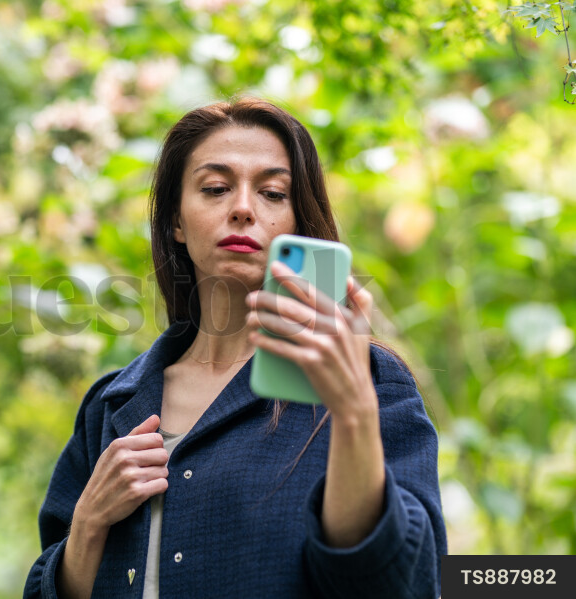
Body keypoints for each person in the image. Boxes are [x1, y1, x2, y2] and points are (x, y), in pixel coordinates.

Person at [23, 96, 446, 599]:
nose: (243, 209)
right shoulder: (111, 404)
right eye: (216, 188)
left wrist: (353, 413)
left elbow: (408, 581)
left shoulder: (367, 380)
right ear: (177, 222)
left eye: (272, 193)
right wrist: (89, 523)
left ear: (298, 221)